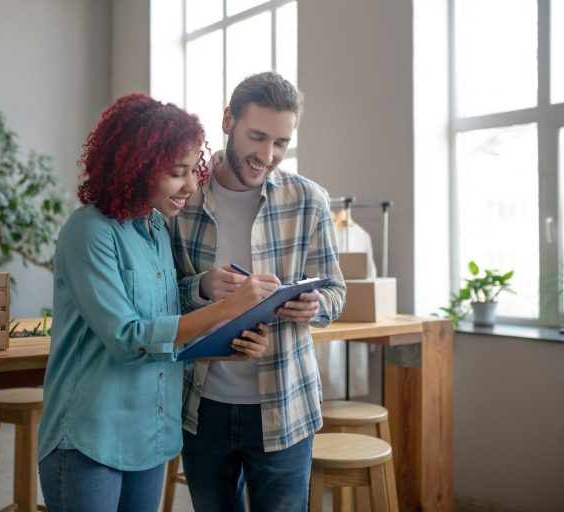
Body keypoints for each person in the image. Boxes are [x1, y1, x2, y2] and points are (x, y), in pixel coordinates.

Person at [37, 93, 280, 512]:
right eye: (175, 173)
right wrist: (229, 308)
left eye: (192, 170)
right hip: (90, 435)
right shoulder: (89, 231)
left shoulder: (154, 228)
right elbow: (130, 338)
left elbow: (168, 326)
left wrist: (230, 343)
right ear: (135, 169)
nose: (190, 186)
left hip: (149, 435)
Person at [167, 72, 347, 511]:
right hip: (202, 404)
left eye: (282, 142)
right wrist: (203, 287)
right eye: (258, 136)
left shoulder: (309, 201)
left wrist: (313, 305)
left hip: (285, 404)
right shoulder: (183, 199)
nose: (267, 155)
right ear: (228, 121)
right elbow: (162, 296)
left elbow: (336, 292)